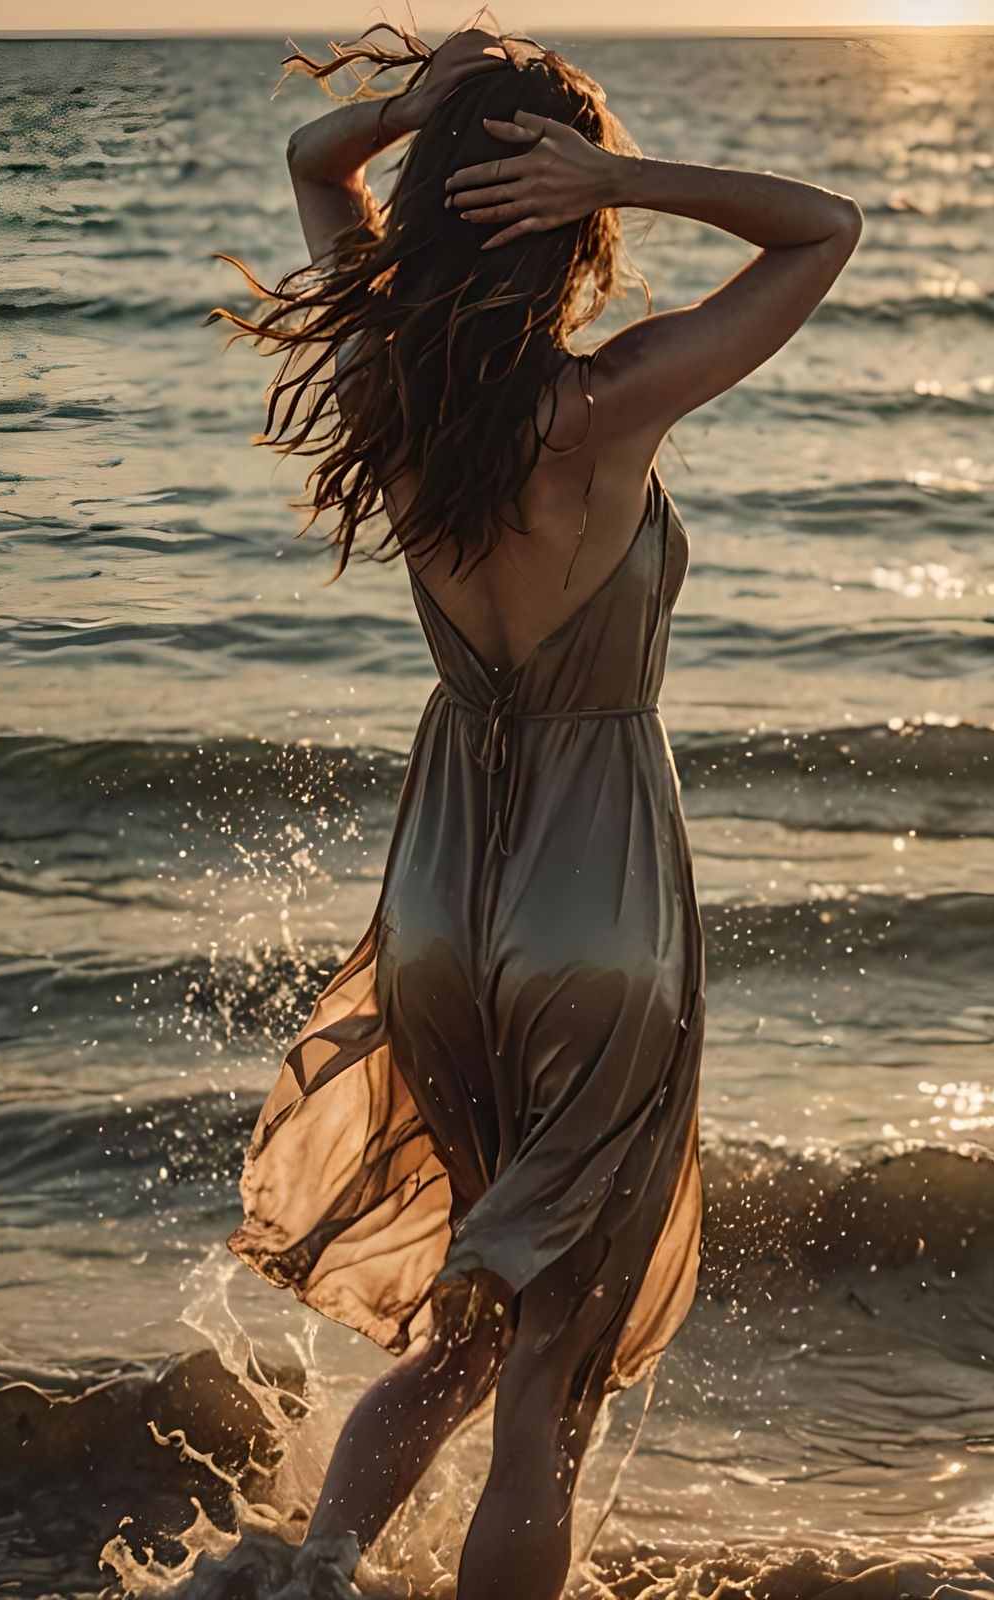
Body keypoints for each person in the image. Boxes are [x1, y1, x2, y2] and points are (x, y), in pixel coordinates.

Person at [206, 21, 862, 1600]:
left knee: (461, 1331)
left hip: (440, 904)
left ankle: (318, 1576)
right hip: (597, 907)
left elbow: (312, 163)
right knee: (547, 1385)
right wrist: (618, 174)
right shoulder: (606, 404)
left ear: (430, 205)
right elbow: (823, 229)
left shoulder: (392, 394)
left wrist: (411, 107)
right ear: (567, 220)